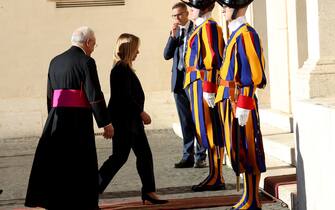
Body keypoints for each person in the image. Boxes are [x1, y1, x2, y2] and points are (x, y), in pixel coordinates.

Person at [25, 26, 114, 210]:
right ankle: (83, 202)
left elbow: (50, 94)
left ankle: (56, 200)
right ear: (88, 42)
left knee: (58, 162)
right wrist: (105, 122)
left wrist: (52, 115)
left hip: (56, 117)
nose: (94, 47)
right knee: (81, 162)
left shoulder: (55, 61)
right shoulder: (87, 62)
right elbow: (94, 94)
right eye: (94, 44)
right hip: (78, 119)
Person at [98, 33, 168, 205]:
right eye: (136, 48)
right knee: (119, 158)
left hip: (130, 122)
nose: (138, 52)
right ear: (129, 49)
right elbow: (124, 97)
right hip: (125, 122)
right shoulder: (121, 69)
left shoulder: (123, 68)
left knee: (143, 155)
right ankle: (91, 190)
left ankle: (149, 191)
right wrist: (141, 113)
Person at [215, 0, 267, 209]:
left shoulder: (246, 34)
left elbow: (253, 73)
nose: (223, 10)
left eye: (226, 7)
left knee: (249, 149)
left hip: (240, 102)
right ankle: (247, 196)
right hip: (231, 100)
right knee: (239, 150)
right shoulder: (236, 33)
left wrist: (244, 103)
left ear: (238, 8)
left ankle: (253, 200)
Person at [181, 0, 226, 192]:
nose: (189, 9)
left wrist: (208, 87)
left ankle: (217, 176)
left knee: (211, 128)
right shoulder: (201, 27)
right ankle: (213, 173)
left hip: (204, 84)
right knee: (205, 130)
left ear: (205, 7)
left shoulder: (209, 27)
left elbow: (211, 59)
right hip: (197, 84)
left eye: (193, 6)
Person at [164, 2, 207, 169]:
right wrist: (173, 37)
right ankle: (187, 156)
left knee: (198, 119)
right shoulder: (175, 33)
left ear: (187, 13)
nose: (177, 18)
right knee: (185, 121)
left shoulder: (196, 30)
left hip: (194, 81)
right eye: (174, 16)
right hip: (178, 82)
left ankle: (200, 156)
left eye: (180, 14)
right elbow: (166, 55)